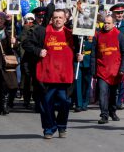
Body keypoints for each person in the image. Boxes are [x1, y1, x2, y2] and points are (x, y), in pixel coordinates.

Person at [22, 9, 83, 139]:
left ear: (65, 19)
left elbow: (78, 50)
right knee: (46, 104)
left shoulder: (71, 34)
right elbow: (26, 43)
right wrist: (38, 51)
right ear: (52, 18)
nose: (58, 20)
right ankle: (48, 129)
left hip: (64, 76)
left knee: (65, 103)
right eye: (55, 17)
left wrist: (79, 56)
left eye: (61, 17)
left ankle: (61, 126)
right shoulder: (42, 31)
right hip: (47, 75)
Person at [91, 14, 124, 124]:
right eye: (105, 23)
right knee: (103, 92)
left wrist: (123, 68)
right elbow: (94, 54)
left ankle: (112, 111)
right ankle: (104, 114)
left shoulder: (119, 35)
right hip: (102, 70)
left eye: (109, 23)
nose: (106, 25)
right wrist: (93, 71)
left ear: (113, 24)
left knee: (113, 94)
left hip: (115, 71)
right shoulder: (98, 35)